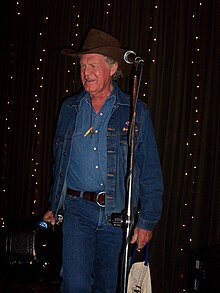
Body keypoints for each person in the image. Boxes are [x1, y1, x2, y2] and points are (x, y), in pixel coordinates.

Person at [43, 28, 163, 293]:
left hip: (116, 213)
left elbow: (150, 171)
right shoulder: (70, 108)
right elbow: (59, 161)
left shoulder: (134, 111)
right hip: (77, 210)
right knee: (74, 285)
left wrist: (147, 221)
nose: (86, 72)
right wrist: (55, 203)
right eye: (82, 65)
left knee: (109, 287)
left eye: (93, 65)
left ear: (113, 68)